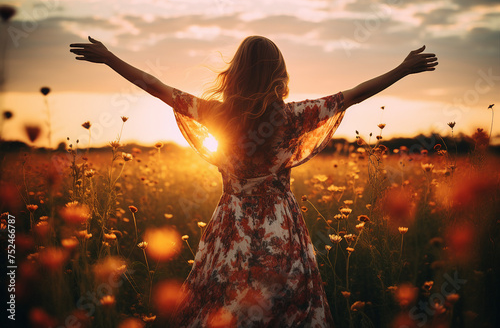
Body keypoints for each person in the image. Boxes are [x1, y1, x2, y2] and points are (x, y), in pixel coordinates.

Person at [70, 35, 437, 327]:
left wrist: (110, 58)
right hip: (282, 222)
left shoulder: (217, 114)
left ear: (237, 72)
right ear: (279, 73)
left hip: (230, 222)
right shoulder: (294, 116)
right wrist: (403, 68)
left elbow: (154, 85)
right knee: (284, 300)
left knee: (222, 299)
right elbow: (354, 95)